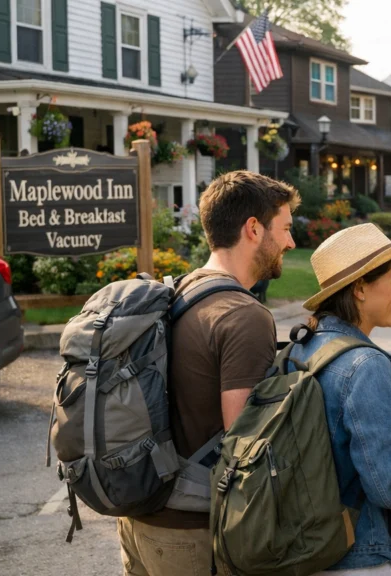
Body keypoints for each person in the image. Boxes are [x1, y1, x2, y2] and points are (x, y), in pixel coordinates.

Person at [119, 171, 299, 576]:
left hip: (140, 520)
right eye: (286, 228)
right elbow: (246, 445)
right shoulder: (244, 316)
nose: (290, 242)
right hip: (191, 533)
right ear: (253, 229)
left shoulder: (178, 291)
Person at [290, 223, 391, 576]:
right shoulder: (366, 365)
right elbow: (390, 486)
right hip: (363, 558)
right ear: (359, 288)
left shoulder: (300, 348)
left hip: (310, 548)